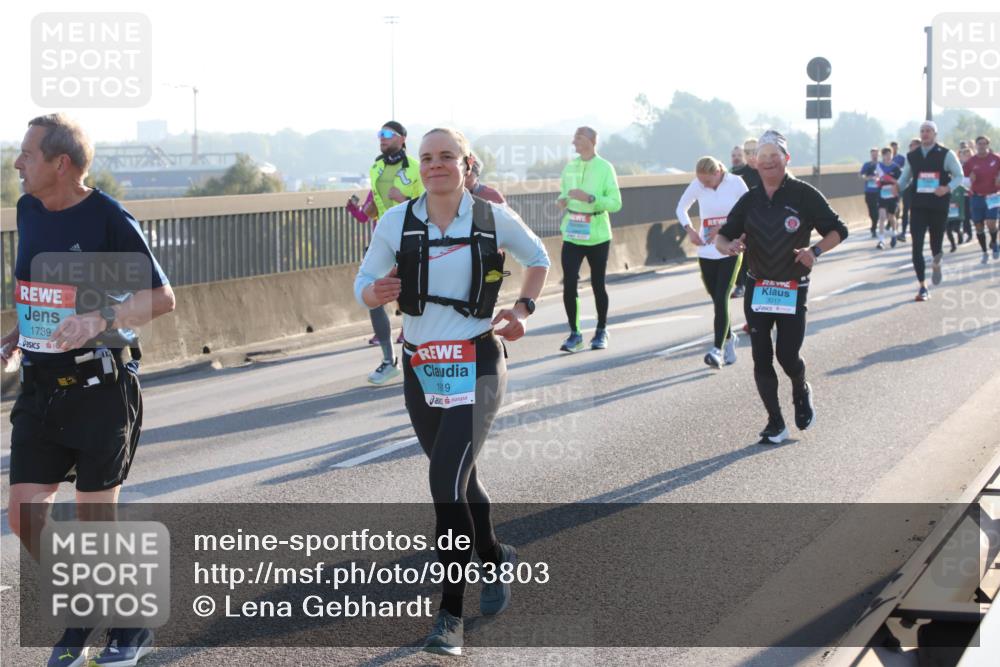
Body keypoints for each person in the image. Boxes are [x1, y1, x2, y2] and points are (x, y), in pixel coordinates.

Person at [354, 127, 549, 656]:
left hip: (478, 360)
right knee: (464, 481)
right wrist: (376, 290)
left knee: (445, 481)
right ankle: (492, 554)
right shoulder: (397, 220)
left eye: (446, 157)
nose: (435, 165)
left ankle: (449, 617)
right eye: (426, 158)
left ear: (466, 164)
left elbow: (538, 260)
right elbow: (362, 282)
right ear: (417, 166)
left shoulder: (490, 217)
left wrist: (523, 311)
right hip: (421, 366)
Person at [2, 114, 175, 667]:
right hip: (40, 387)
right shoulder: (29, 211)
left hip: (101, 386)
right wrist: (14, 334)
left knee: (96, 521)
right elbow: (39, 292)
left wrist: (99, 317)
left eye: (26, 154)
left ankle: (127, 626)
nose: (16, 163)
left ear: (60, 163)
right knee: (25, 516)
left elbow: (163, 297)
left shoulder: (107, 217)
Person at [716, 131, 848, 445]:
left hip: (792, 287)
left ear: (787, 160)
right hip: (759, 286)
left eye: (775, 158)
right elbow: (722, 237)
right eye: (763, 160)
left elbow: (838, 230)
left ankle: (800, 389)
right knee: (761, 358)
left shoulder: (804, 195)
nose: (769, 164)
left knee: (787, 355)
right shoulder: (749, 199)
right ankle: (775, 422)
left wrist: (813, 252)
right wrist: (730, 246)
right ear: (756, 165)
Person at [363, 121, 425, 384]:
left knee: (412, 300)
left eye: (387, 135)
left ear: (402, 139)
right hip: (383, 239)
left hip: (411, 239)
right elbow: (377, 201)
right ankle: (389, 361)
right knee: (373, 294)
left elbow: (429, 204)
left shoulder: (415, 168)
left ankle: (421, 358)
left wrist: (403, 200)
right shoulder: (376, 167)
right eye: (380, 135)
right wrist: (372, 211)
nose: (382, 139)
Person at [676, 157, 748, 368]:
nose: (704, 185)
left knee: (722, 297)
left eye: (707, 181)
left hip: (730, 248)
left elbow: (749, 211)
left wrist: (726, 228)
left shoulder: (735, 183)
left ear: (717, 173)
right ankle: (728, 338)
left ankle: (717, 350)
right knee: (716, 299)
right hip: (706, 250)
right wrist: (689, 230)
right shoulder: (698, 184)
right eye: (701, 182)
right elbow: (681, 208)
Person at [556, 126, 623, 352]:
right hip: (573, 231)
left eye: (579, 137)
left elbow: (615, 203)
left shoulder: (605, 168)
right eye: (574, 137)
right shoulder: (570, 167)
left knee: (597, 283)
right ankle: (575, 334)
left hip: (598, 234)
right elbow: (564, 192)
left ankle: (601, 330)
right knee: (569, 283)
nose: (574, 141)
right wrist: (563, 200)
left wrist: (591, 198)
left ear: (592, 141)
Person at [895, 120, 965, 301]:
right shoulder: (913, 155)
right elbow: (905, 178)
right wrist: (897, 186)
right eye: (922, 131)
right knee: (916, 246)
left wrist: (947, 188)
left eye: (928, 131)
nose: (925, 134)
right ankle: (922, 287)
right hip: (918, 205)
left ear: (935, 134)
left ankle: (936, 263)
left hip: (938, 205)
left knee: (936, 245)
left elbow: (959, 176)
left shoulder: (946, 154)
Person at [730, 138, 762, 299]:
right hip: (743, 222)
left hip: (765, 223)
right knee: (739, 253)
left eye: (754, 152)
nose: (751, 156)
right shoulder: (736, 175)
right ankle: (740, 285)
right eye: (747, 152)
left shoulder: (769, 170)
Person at [964, 135, 1000, 263]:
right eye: (979, 143)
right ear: (976, 145)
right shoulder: (970, 162)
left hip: (992, 195)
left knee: (991, 223)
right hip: (976, 196)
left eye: (984, 143)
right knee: (979, 226)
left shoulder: (996, 159)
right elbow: (964, 181)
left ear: (988, 145)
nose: (982, 146)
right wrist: (969, 181)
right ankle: (984, 252)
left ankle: (994, 243)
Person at [875, 147, 902, 249]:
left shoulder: (896, 168)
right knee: (881, 217)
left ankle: (894, 234)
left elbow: (900, 182)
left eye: (889, 154)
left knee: (891, 216)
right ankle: (881, 241)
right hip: (882, 194)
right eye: (885, 155)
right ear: (883, 156)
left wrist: (890, 179)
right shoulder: (879, 166)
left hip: (893, 194)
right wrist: (878, 181)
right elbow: (877, 179)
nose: (887, 157)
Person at [898, 138, 921, 242]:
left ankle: (917, 231)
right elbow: (905, 174)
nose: (911, 147)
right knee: (905, 210)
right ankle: (903, 232)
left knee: (916, 212)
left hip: (920, 188)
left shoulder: (924, 156)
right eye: (910, 146)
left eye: (913, 145)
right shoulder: (908, 157)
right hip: (908, 187)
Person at [860, 148, 881, 239]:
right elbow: (861, 174)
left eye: (876, 154)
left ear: (878, 155)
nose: (874, 156)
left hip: (878, 191)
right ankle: (874, 223)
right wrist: (867, 178)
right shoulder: (867, 165)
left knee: (876, 210)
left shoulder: (881, 165)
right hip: (869, 191)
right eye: (873, 154)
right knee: (871, 210)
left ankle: (874, 227)